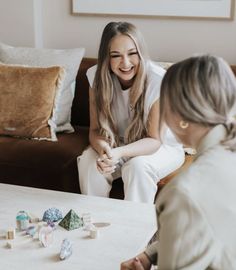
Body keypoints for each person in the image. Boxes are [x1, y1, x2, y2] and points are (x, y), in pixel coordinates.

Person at [121, 54, 236, 269]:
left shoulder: (183, 195)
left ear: (181, 117)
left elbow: (194, 214)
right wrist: (152, 253)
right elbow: (210, 223)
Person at [78, 21, 184, 203]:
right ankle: (96, 223)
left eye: (132, 53)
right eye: (116, 55)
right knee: (89, 163)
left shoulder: (159, 81)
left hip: (162, 146)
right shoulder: (96, 78)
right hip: (118, 143)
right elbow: (95, 130)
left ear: (140, 53)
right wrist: (104, 150)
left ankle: (136, 230)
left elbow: (155, 140)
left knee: (137, 167)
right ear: (106, 58)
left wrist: (119, 153)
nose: (125, 63)